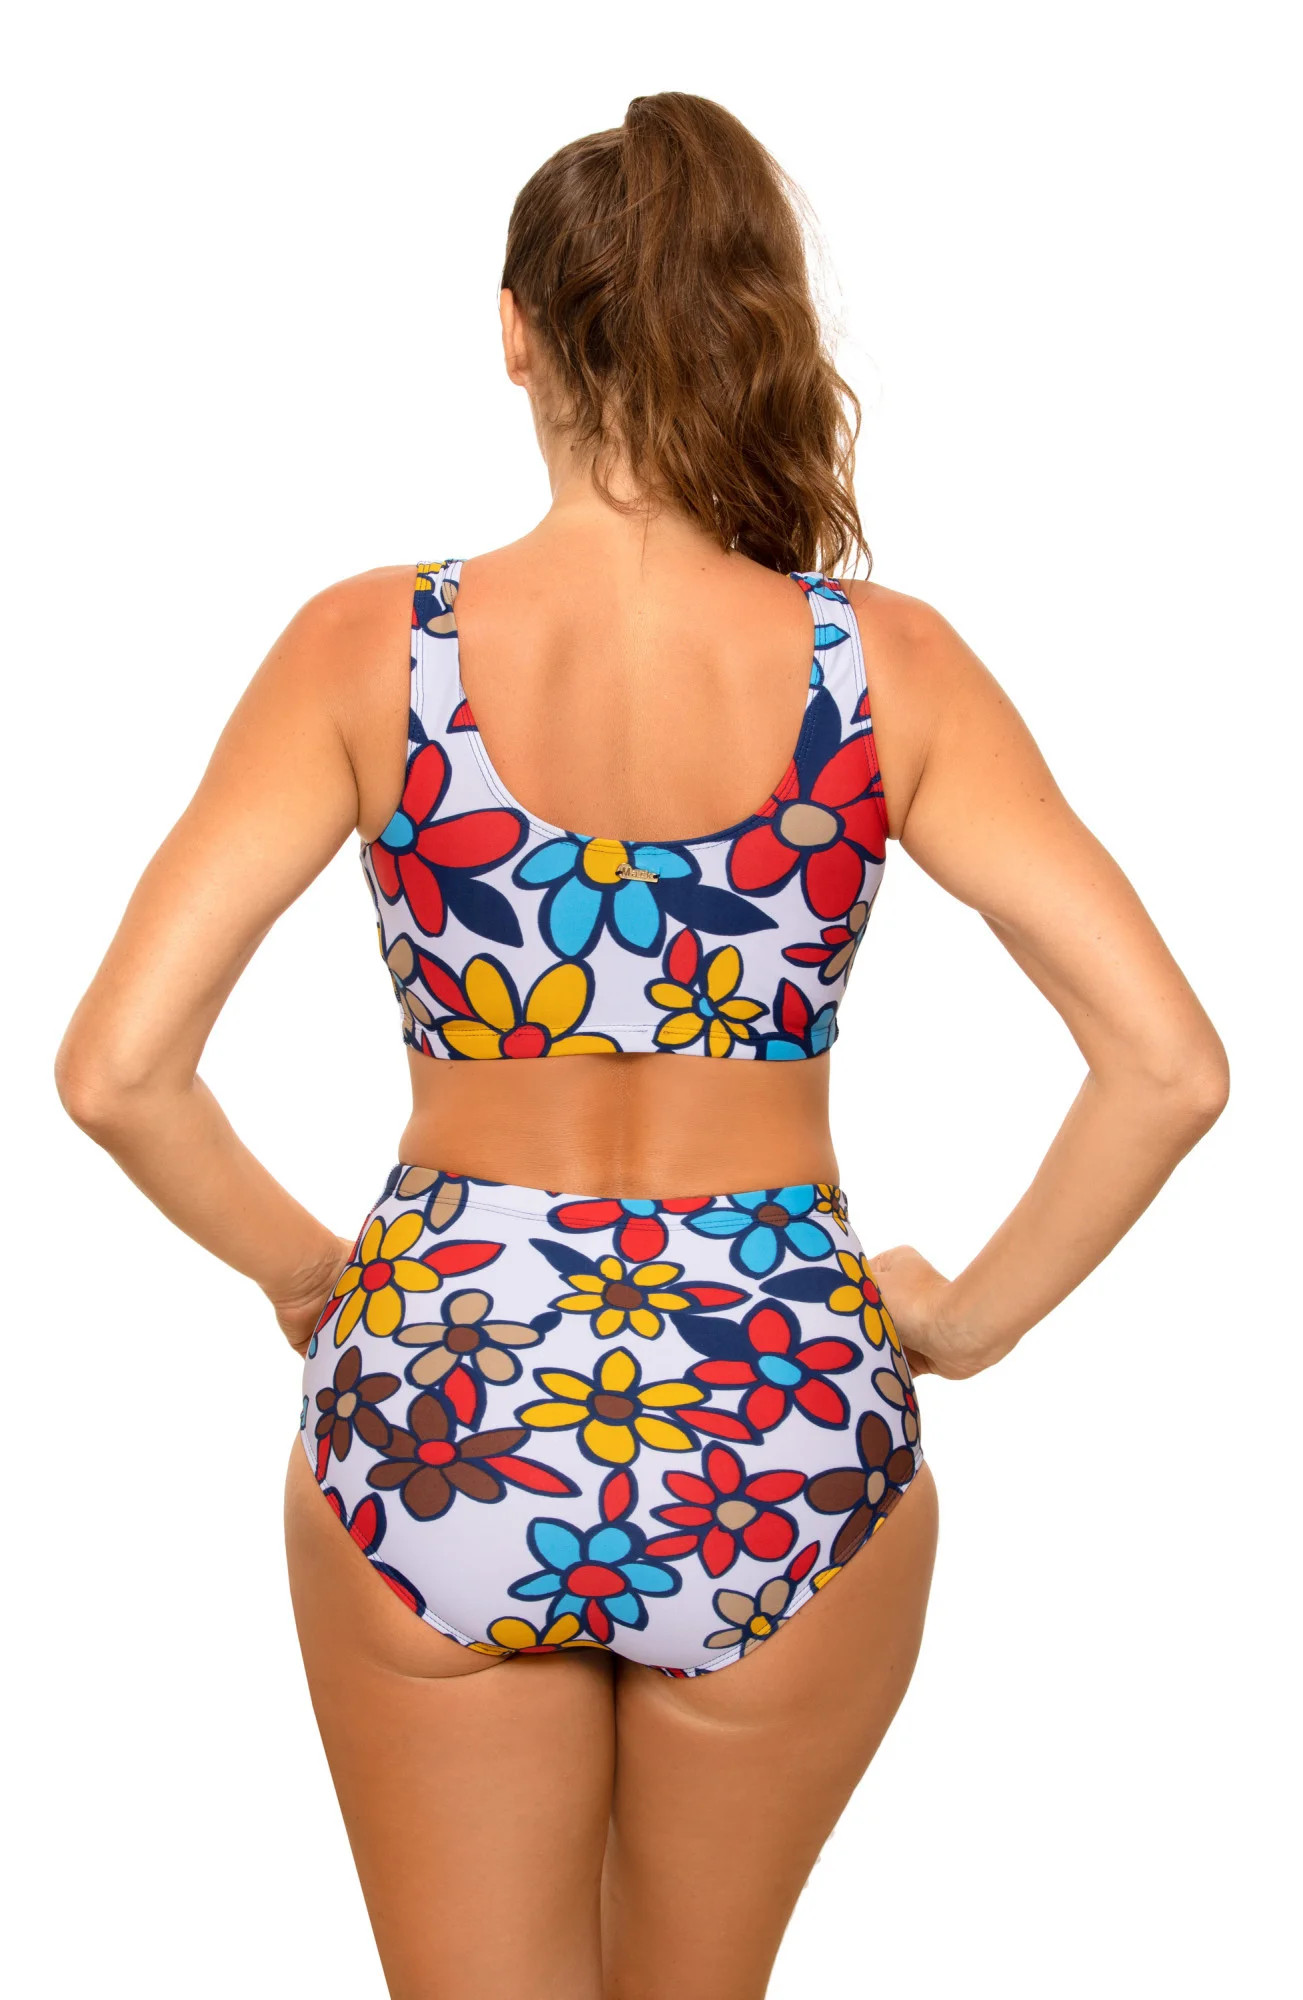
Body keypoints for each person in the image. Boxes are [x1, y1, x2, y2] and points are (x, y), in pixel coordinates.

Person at [55, 90, 1228, 2000]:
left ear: (516, 333)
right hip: (783, 1404)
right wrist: (965, 1320)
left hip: (447, 1394)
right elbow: (1168, 1066)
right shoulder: (885, 670)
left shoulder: (372, 649)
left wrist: (309, 1275)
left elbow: (117, 1070)